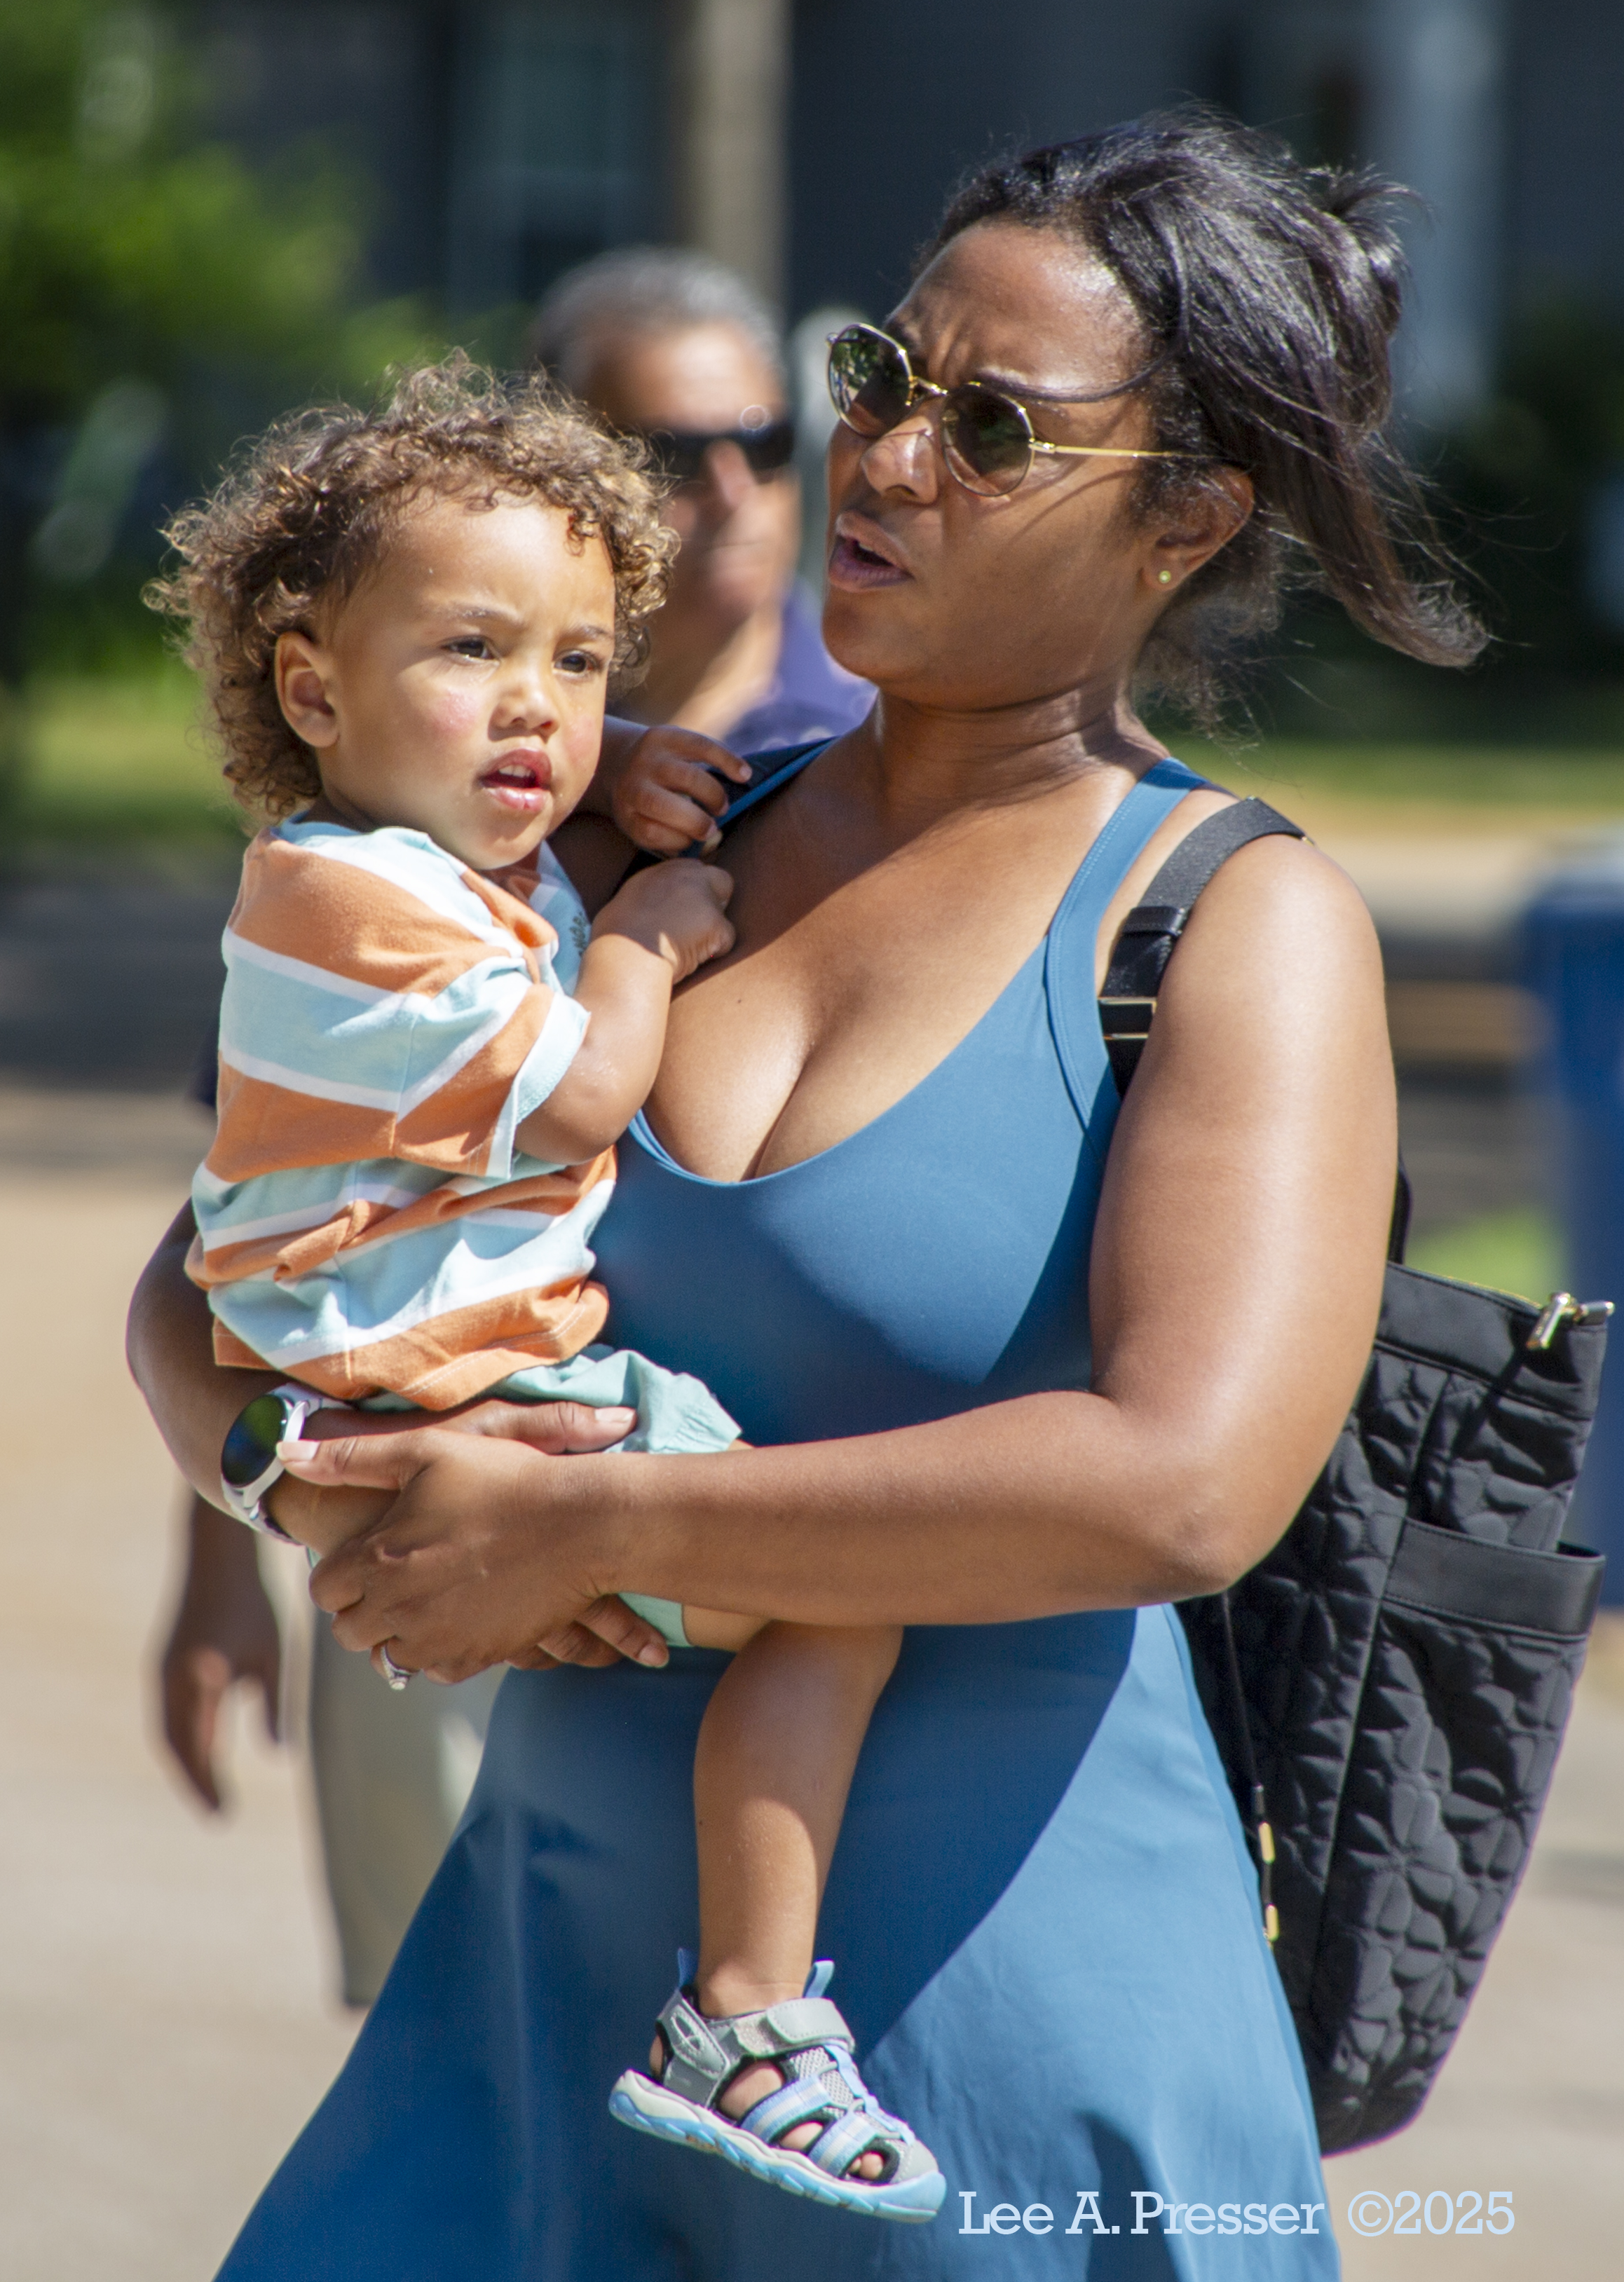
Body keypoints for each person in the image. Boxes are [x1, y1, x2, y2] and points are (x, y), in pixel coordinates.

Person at [130, 109, 1482, 2277]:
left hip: (993, 2062)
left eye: (991, 425)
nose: (885, 455)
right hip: (531, 2014)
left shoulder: (1235, 923)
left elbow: (1179, 1487)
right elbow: (201, 1279)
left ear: (1185, 517)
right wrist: (309, 1479)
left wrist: (593, 1524)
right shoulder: (634, 840)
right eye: (877, 373)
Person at [154, 361, 943, 2216]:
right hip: (465, 1409)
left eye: (582, 662)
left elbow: (524, 855)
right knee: (845, 1598)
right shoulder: (346, 907)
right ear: (310, 690)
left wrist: (612, 774)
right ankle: (747, 2016)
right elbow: (579, 1086)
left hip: (421, 1398)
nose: (538, 704)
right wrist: (652, 938)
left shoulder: (408, 867)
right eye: (474, 649)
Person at [533, 245, 873, 756]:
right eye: (674, 456)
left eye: (764, 446)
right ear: (556, 474)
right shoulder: (489, 734)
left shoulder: (888, 738)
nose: (733, 494)